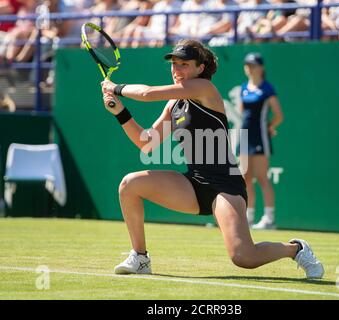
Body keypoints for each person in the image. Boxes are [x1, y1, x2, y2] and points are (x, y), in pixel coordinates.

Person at [100, 39, 323, 279]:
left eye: (184, 64)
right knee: (129, 185)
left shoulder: (204, 89)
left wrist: (115, 87)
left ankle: (296, 249)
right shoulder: (174, 103)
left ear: (200, 68)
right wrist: (121, 113)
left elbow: (146, 93)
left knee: (243, 257)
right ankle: (140, 257)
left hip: (225, 187)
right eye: (174, 64)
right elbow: (146, 141)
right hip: (192, 185)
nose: (177, 70)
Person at [238, 52, 283, 230]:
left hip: (259, 135)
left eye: (253, 65)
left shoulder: (267, 89)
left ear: (261, 68)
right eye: (247, 65)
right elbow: (243, 112)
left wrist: (269, 127)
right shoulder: (243, 87)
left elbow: (279, 115)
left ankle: (269, 219)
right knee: (245, 177)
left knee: (262, 177)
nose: (249, 68)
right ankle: (248, 218)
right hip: (244, 135)